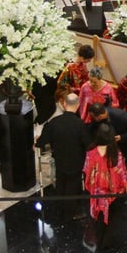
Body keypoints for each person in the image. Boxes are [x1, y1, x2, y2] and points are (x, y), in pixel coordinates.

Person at [34, 90, 92, 220]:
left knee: (61, 184)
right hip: (76, 162)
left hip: (59, 160)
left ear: (64, 104)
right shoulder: (80, 124)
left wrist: (37, 143)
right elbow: (88, 144)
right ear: (78, 105)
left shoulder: (54, 122)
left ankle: (60, 209)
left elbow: (42, 141)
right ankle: (71, 213)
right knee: (73, 186)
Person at [83, 122, 127, 249]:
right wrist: (126, 186)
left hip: (97, 192)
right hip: (113, 192)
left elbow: (87, 171)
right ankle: (107, 242)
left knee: (98, 219)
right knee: (113, 218)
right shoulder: (116, 153)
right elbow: (122, 171)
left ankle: (99, 241)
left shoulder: (90, 152)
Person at [87, 103, 127, 191]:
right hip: (115, 145)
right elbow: (92, 127)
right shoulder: (97, 119)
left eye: (95, 118)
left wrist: (122, 137)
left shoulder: (121, 116)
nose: (94, 120)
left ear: (101, 116)